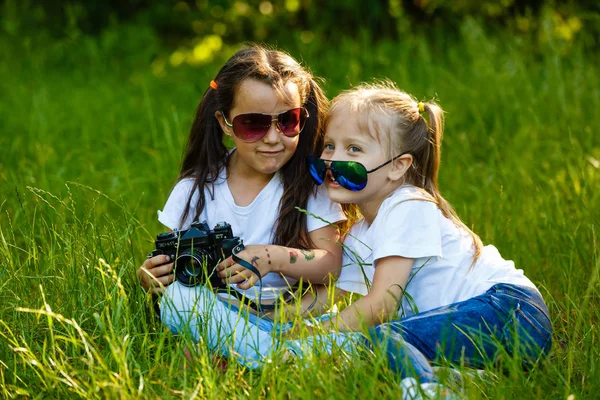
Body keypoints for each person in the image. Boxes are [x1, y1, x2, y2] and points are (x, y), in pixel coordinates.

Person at [289, 81, 552, 390]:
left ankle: (426, 392)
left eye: (354, 149)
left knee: (383, 336)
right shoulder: (361, 231)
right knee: (374, 344)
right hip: (487, 329)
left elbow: (380, 305)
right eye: (329, 146)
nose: (332, 160)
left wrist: (317, 335)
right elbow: (335, 298)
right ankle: (472, 377)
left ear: (398, 167)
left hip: (511, 311)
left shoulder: (407, 205)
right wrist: (278, 319)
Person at [136, 45, 346, 367]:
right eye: (253, 124)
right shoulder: (195, 190)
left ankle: (248, 355)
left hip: (288, 315)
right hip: (217, 309)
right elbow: (176, 265)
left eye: (288, 121)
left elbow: (332, 266)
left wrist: (274, 257)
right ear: (224, 123)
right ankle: (276, 358)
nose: (274, 138)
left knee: (195, 353)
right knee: (179, 300)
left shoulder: (309, 186)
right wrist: (151, 277)